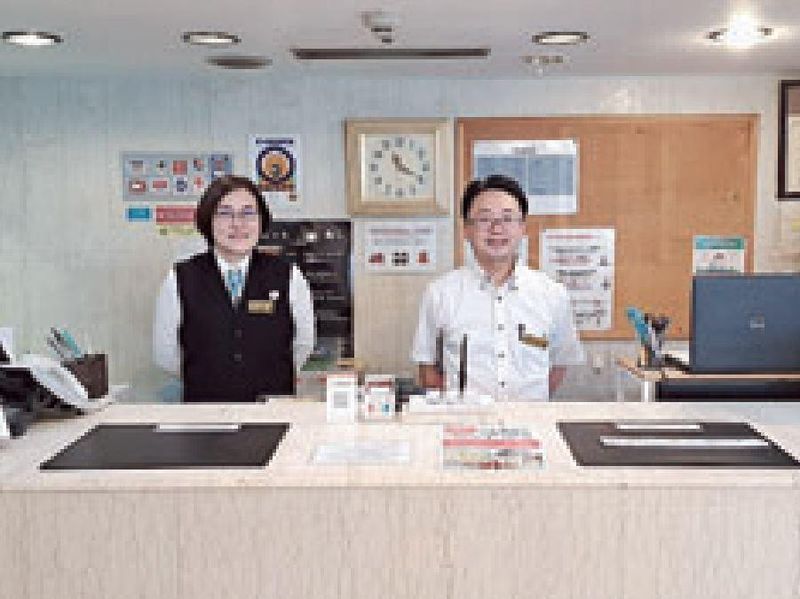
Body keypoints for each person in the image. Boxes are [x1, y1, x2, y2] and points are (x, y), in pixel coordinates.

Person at [411, 174, 583, 401]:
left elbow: (559, 364)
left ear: (522, 228)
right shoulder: (440, 293)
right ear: (466, 230)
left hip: (530, 418)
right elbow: (427, 369)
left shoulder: (552, 294)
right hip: (464, 420)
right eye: (484, 219)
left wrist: (525, 409)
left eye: (508, 218)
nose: (497, 228)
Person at [153, 175, 314, 402]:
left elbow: (303, 344)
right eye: (225, 213)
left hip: (273, 409)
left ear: (261, 220)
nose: (238, 224)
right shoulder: (180, 277)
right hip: (204, 410)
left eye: (248, 213)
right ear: (208, 220)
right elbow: (165, 353)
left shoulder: (288, 275)